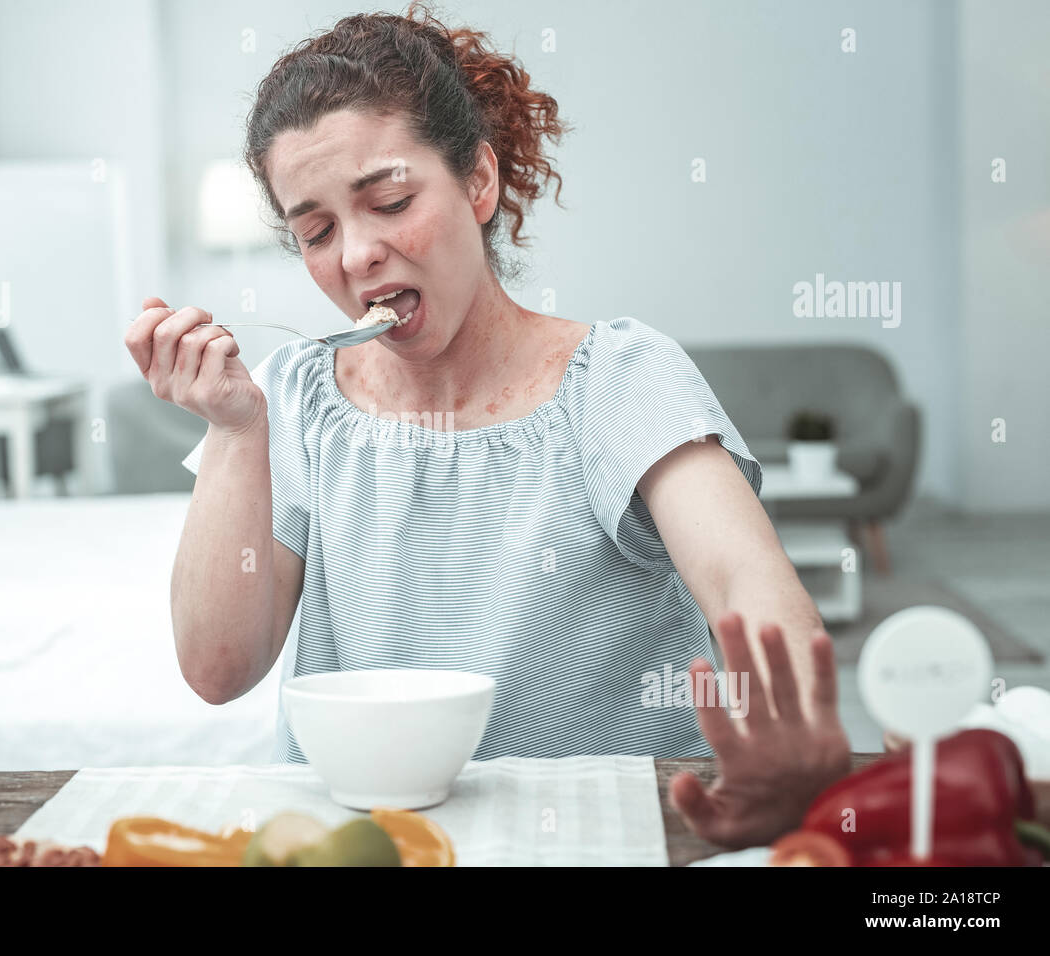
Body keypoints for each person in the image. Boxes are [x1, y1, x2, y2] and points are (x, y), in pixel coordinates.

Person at [124, 2, 851, 849]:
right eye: (316, 230)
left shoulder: (619, 379)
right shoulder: (287, 401)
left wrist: (791, 734)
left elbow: (744, 583)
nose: (355, 255)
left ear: (478, 182)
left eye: (389, 201)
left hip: (607, 840)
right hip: (371, 851)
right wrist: (234, 432)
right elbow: (218, 669)